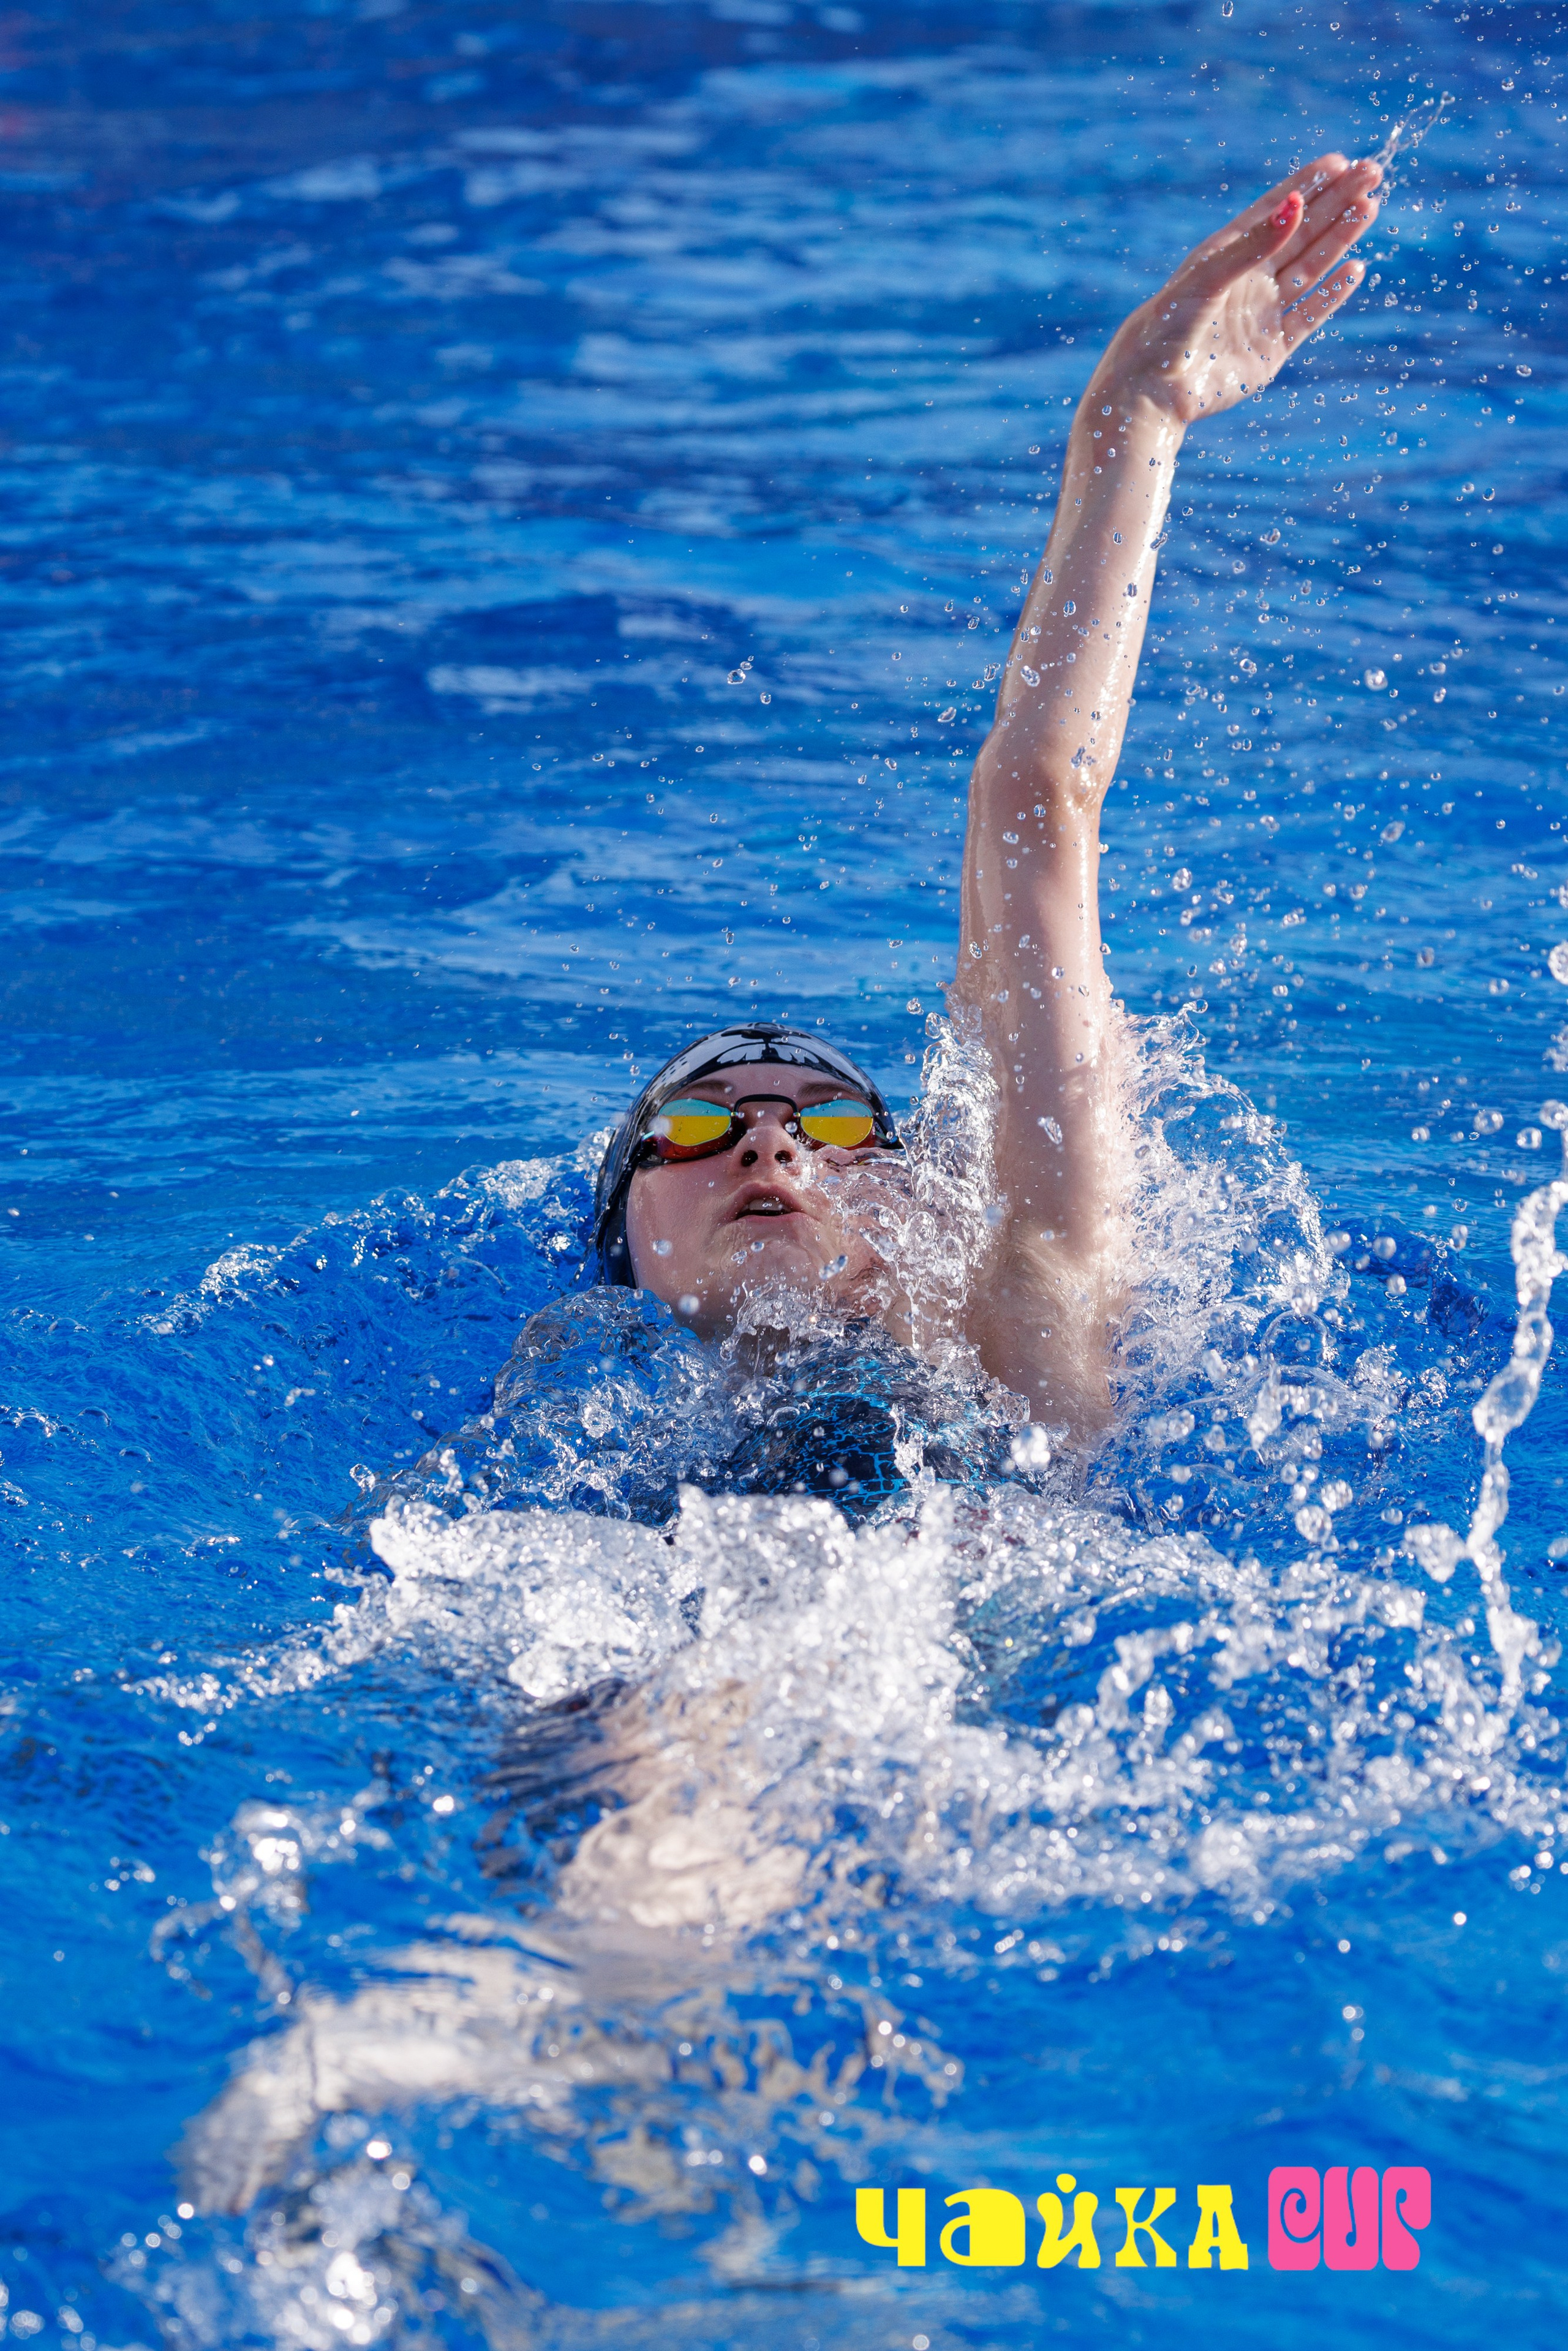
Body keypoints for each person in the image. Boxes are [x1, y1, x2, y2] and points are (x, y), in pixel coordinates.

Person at [592, 151, 1385, 1443]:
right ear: (617, 1240)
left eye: (834, 1123)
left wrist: (1134, 420)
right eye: (693, 1126)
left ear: (922, 1209)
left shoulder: (1016, 1339)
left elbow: (1036, 798)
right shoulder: (529, 1463)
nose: (771, 1146)